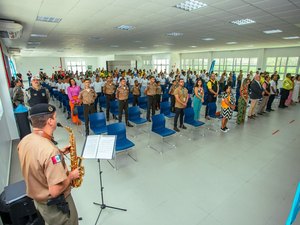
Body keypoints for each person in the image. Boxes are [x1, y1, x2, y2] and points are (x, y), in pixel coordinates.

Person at [18, 103, 80, 225]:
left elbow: (37, 160)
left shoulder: (25, 140)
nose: (56, 120)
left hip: (40, 203)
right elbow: (55, 191)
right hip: (57, 207)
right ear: (50, 121)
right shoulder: (51, 152)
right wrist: (72, 176)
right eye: (55, 117)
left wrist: (59, 153)